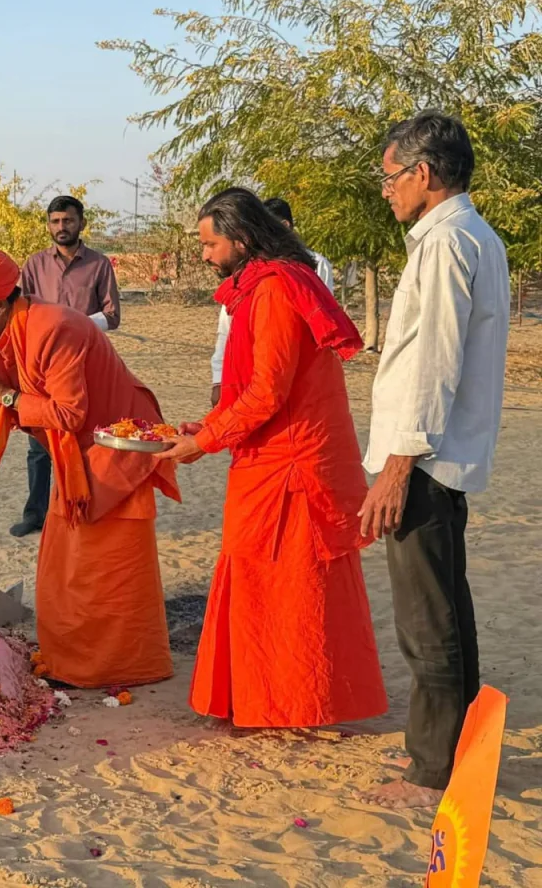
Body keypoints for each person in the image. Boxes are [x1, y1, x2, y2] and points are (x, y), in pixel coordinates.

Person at [159, 188, 388, 728]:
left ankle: (293, 702)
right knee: (257, 572)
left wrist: (206, 442)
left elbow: (267, 392)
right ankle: (260, 696)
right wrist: (208, 427)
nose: (205, 256)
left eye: (210, 245)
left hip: (292, 462)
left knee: (292, 581)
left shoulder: (276, 289)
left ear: (241, 240)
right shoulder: (261, 286)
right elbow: (253, 388)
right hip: (273, 453)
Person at [359, 111, 510, 810]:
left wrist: (397, 467)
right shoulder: (472, 235)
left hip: (423, 459)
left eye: (390, 175)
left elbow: (435, 364)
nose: (385, 188)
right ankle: (454, 751)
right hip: (439, 456)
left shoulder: (448, 241)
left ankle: (431, 772)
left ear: (423, 173)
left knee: (427, 621)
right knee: (447, 610)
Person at [0, 248, 177, 688]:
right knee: (64, 568)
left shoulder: (53, 328)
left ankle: (120, 666)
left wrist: (3, 395)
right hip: (77, 457)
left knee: (103, 570)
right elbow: (29, 406)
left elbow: (68, 413)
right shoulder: (13, 333)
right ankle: (73, 660)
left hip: (117, 450)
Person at [11, 196, 121, 537]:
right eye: (56, 221)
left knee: (86, 440)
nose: (62, 227)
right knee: (39, 445)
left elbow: (112, 316)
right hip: (42, 366)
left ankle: (82, 511)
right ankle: (36, 515)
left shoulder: (99, 264)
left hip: (87, 364)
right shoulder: (34, 265)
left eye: (68, 221)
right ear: (48, 225)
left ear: (81, 223)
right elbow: (21, 312)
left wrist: (75, 328)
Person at [209, 198, 334, 406]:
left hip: (295, 378)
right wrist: (218, 379)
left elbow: (319, 322)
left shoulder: (309, 266)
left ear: (284, 225)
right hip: (250, 376)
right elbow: (226, 328)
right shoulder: (243, 269)